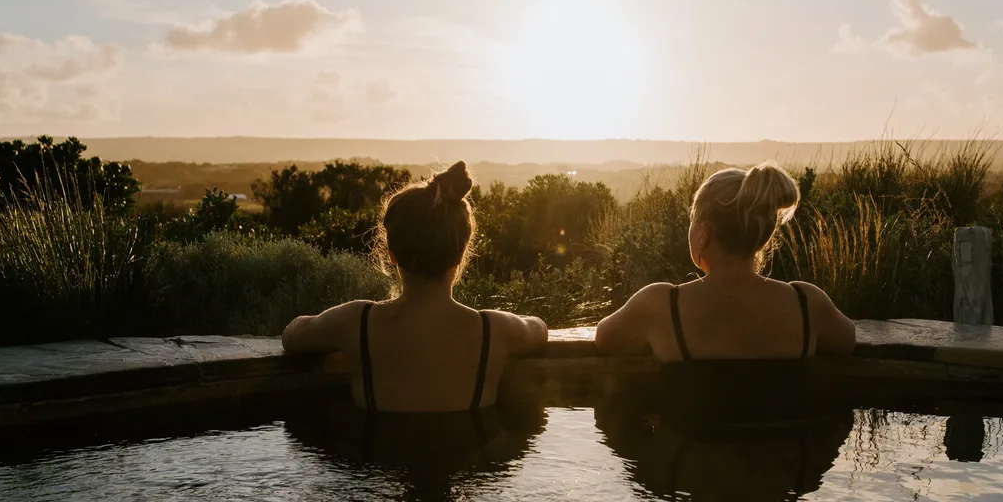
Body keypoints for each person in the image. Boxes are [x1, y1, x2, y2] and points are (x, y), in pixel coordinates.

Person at [282, 161, 548, 412]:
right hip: (467, 458)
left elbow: (292, 335)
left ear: (392, 253)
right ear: (461, 252)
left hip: (379, 458)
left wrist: (346, 353)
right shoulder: (494, 330)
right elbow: (539, 328)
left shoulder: (356, 323)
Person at [595, 162, 855, 363]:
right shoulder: (807, 303)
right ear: (762, 236)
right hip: (782, 435)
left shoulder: (660, 305)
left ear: (704, 233)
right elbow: (847, 340)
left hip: (692, 435)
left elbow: (604, 339)